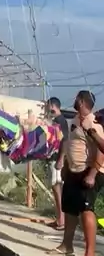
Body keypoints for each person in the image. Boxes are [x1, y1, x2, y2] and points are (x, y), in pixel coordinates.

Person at [52, 89, 104, 256]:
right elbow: (71, 145)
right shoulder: (74, 121)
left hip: (90, 171)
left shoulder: (94, 124)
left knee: (86, 210)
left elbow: (100, 152)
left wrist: (92, 175)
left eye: (76, 98)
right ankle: (67, 245)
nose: (74, 100)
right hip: (73, 171)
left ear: (81, 101)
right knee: (70, 209)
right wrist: (66, 166)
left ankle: (90, 255)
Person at [45, 96, 69, 230]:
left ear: (53, 106)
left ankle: (61, 220)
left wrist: (61, 159)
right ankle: (60, 218)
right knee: (55, 188)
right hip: (53, 158)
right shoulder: (55, 120)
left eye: (47, 107)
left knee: (57, 187)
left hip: (56, 159)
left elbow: (65, 141)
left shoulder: (61, 121)